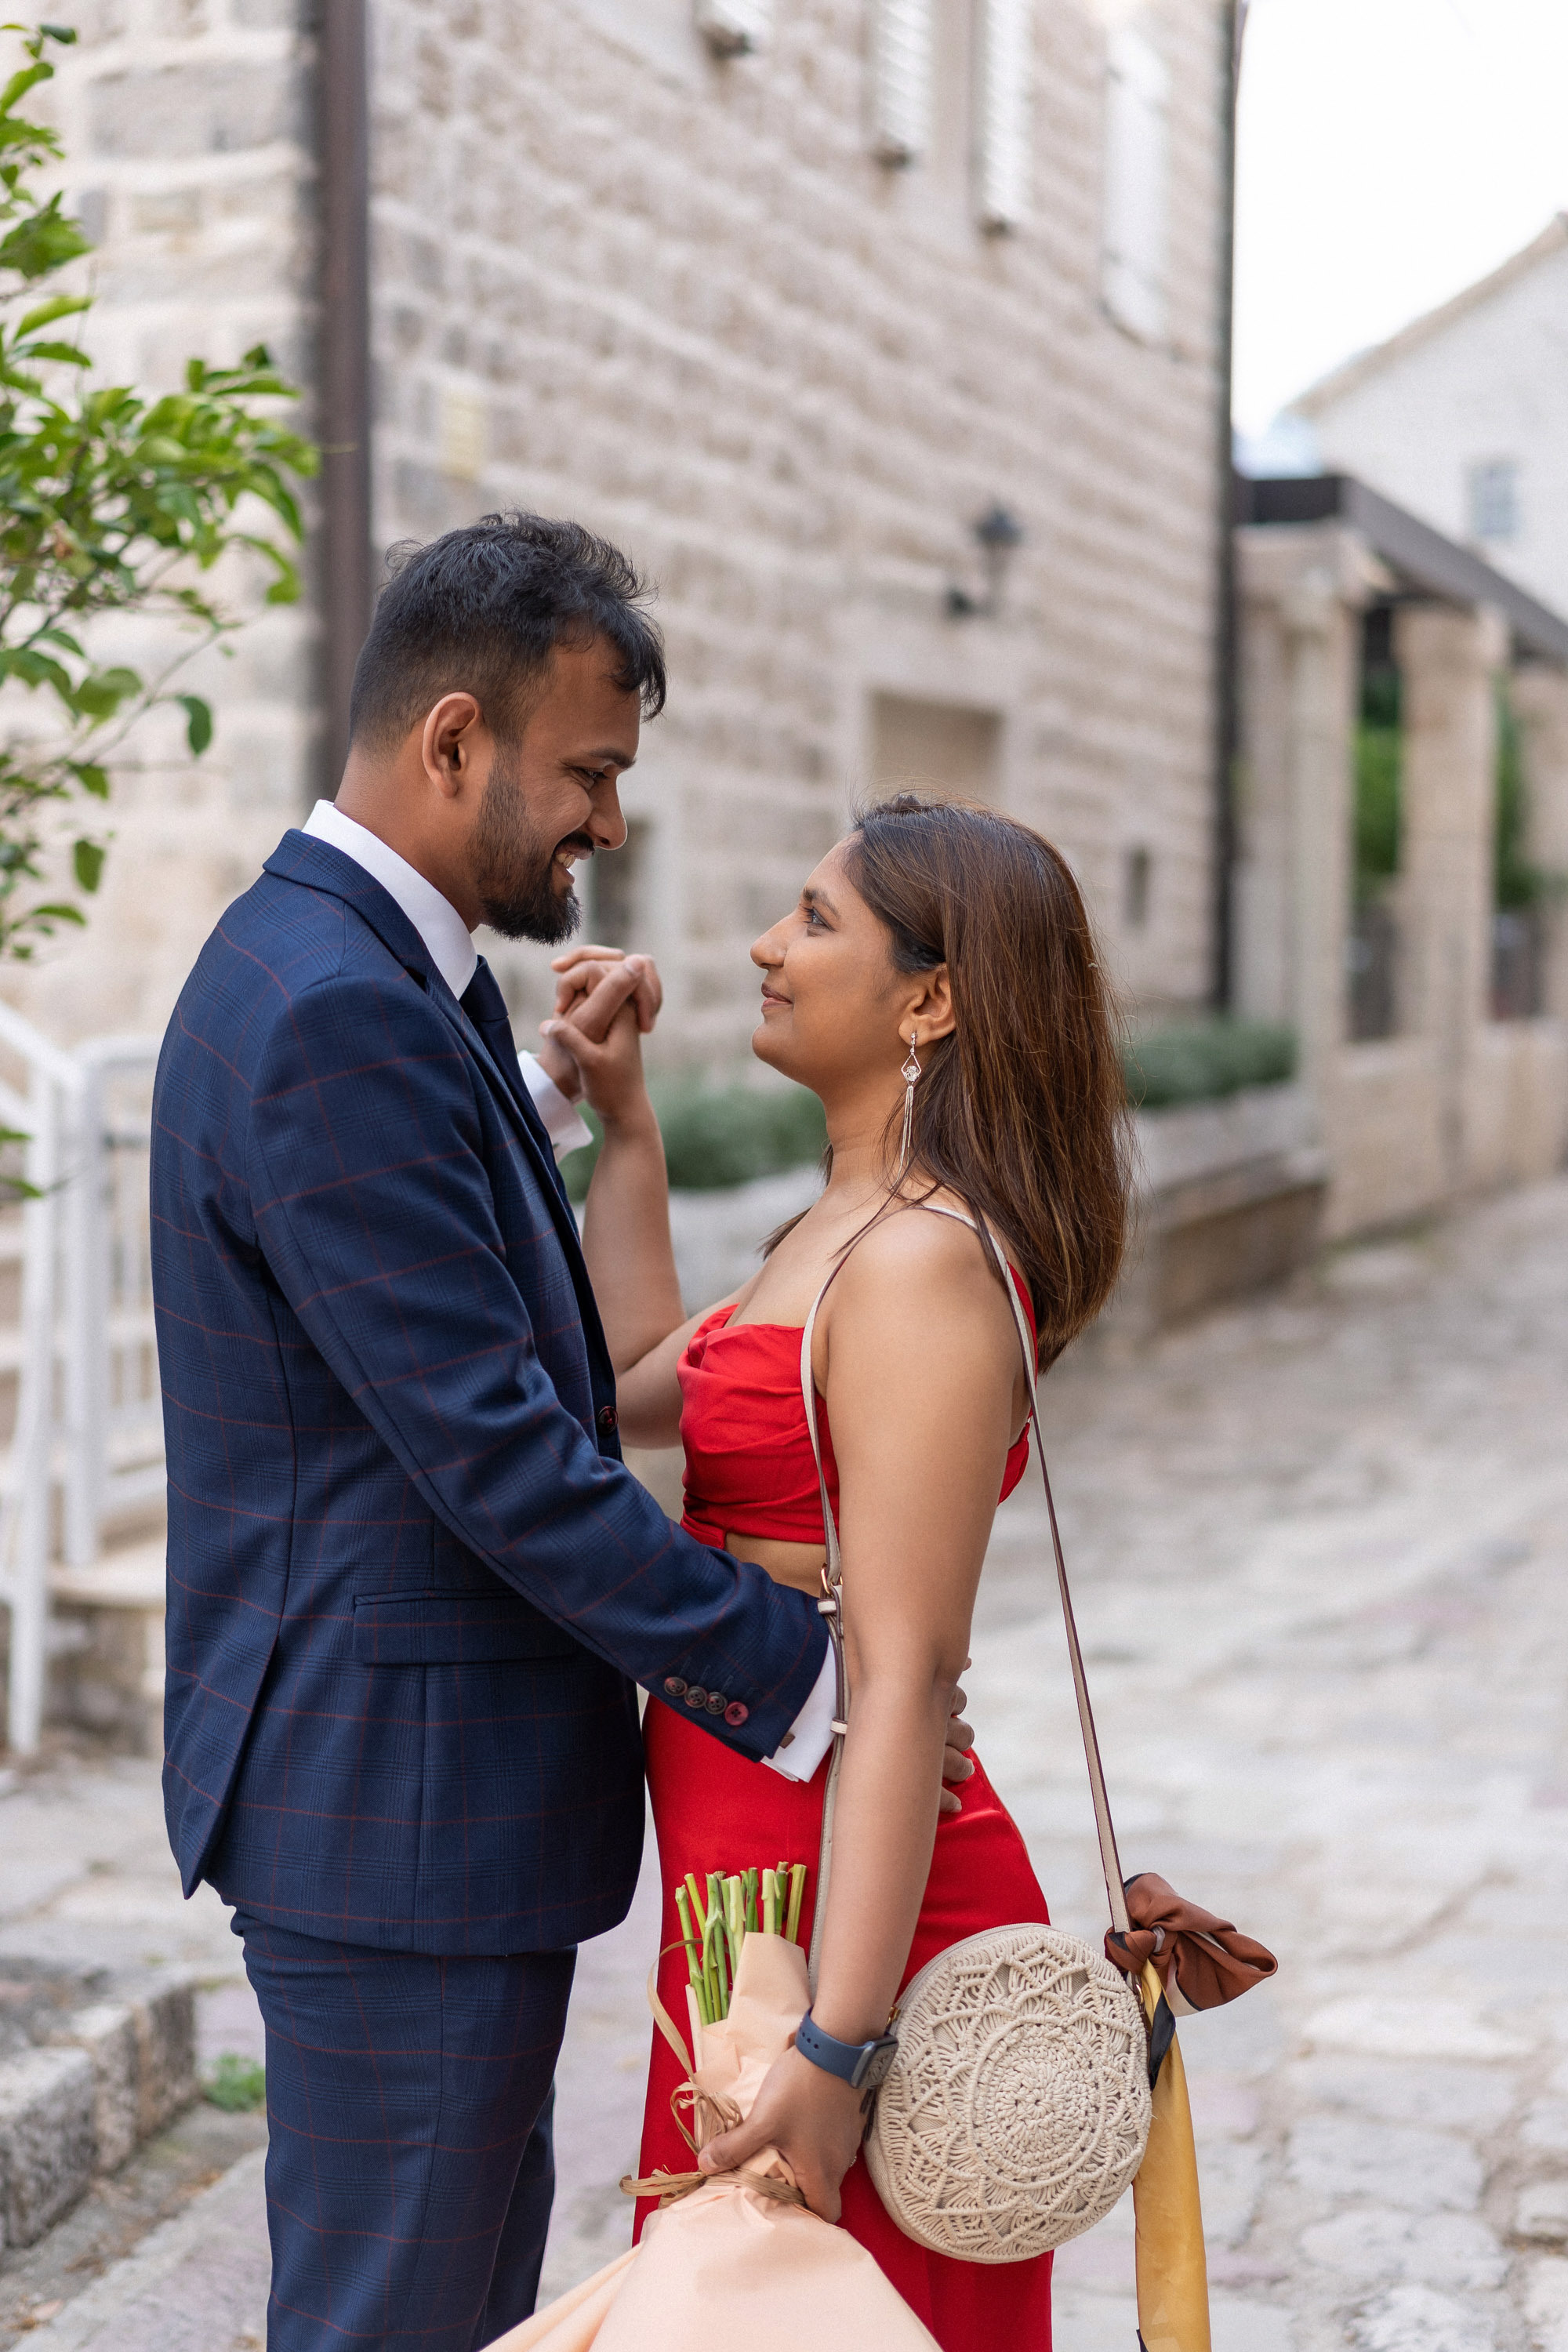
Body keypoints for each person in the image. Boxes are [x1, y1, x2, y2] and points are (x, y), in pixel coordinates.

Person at [150, 514, 876, 2352]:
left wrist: (557, 1093)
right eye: (588, 775)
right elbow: (495, 1453)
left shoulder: (368, 967)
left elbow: (418, 1254)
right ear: (453, 740)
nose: (608, 829)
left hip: (408, 1797)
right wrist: (802, 1678)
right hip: (397, 1806)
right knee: (401, 2319)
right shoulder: (335, 1009)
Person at [545, 793, 1131, 2351]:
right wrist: (631, 1125)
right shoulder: (842, 1222)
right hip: (758, 1862)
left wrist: (838, 2051)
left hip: (858, 1914)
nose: (762, 947)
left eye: (812, 921)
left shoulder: (927, 1261)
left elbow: (904, 1676)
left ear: (929, 1000)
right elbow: (629, 1379)